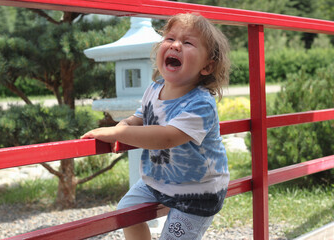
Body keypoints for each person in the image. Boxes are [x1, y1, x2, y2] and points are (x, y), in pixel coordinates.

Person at [81, 13, 231, 240]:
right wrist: (126, 123)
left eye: (188, 42)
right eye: (170, 39)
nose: (176, 45)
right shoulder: (154, 89)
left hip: (198, 192)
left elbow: (168, 137)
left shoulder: (201, 103)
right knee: (126, 212)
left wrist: (117, 132)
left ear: (207, 67)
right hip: (159, 180)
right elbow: (142, 116)